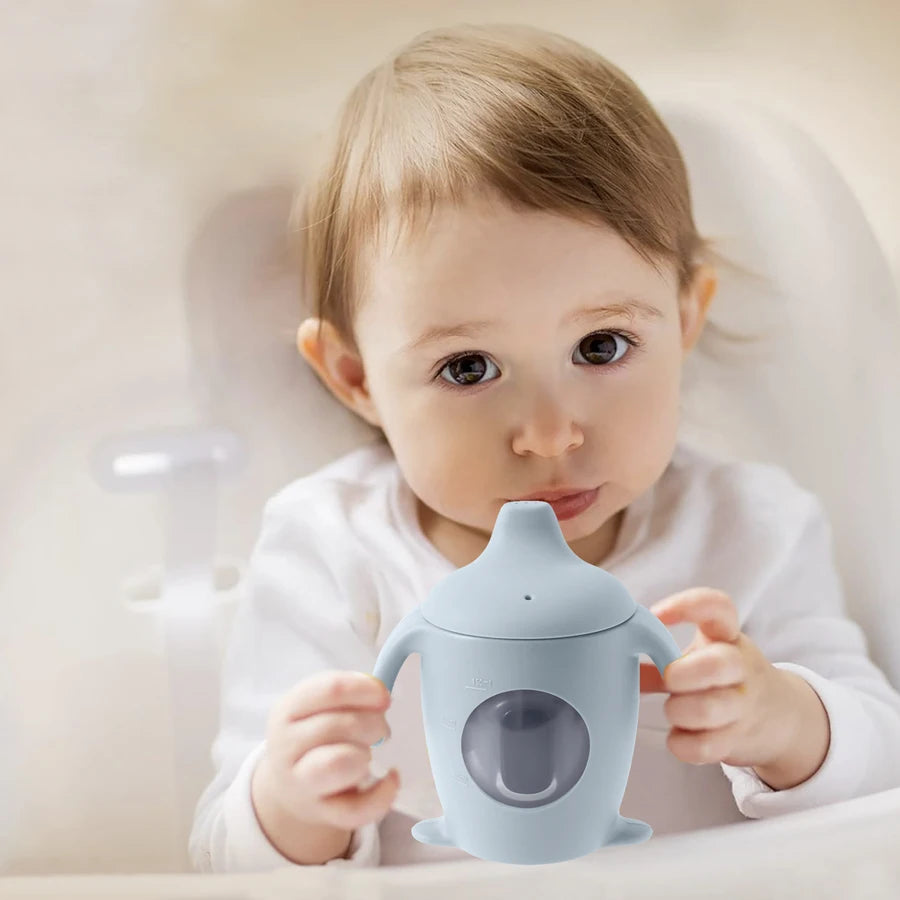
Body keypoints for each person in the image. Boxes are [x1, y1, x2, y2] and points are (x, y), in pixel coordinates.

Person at [189, 22, 900, 872]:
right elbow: (224, 858)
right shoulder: (333, 550)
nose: (551, 433)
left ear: (683, 321)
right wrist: (290, 806)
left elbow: (882, 778)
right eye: (468, 367)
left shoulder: (753, 529)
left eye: (601, 347)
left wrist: (786, 720)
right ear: (355, 377)